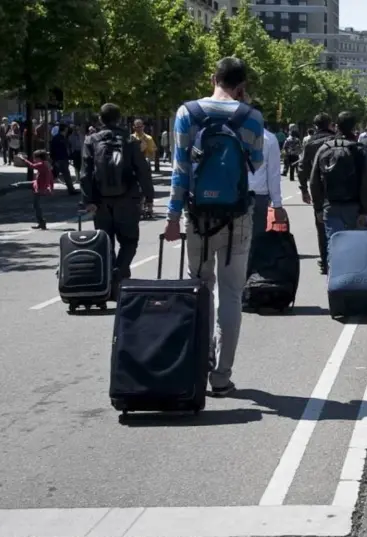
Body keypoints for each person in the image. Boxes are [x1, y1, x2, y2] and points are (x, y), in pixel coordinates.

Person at [164, 56, 265, 397]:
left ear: (213, 77)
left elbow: (179, 170)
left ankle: (198, 361)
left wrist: (172, 217)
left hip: (198, 219)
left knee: (199, 288)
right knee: (232, 295)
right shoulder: (251, 117)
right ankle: (222, 376)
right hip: (237, 217)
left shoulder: (187, 113)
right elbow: (255, 163)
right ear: (242, 86)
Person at [80, 103, 154, 287]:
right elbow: (143, 170)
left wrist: (88, 200)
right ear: (120, 119)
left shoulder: (91, 140)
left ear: (100, 119)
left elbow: (85, 173)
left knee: (105, 241)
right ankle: (120, 272)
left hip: (101, 201)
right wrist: (149, 196)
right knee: (129, 241)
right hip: (127, 199)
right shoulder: (129, 141)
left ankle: (112, 275)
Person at [309, 111, 367, 251]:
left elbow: (314, 181)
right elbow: (366, 183)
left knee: (334, 247)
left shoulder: (324, 148)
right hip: (354, 207)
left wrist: (318, 208)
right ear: (354, 127)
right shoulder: (359, 149)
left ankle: (333, 272)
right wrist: (365, 210)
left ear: (336, 126)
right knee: (354, 249)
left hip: (330, 206)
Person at [298, 113, 336, 274]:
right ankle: (339, 259)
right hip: (340, 188)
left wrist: (304, 189)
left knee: (321, 226)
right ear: (329, 124)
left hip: (319, 190)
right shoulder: (337, 140)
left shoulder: (311, 143)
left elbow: (302, 167)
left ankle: (325, 260)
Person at [246, 102, 286, 242]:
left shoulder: (233, 134)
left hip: (236, 195)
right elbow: (273, 174)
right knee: (257, 240)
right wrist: (277, 205)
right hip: (259, 195)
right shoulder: (269, 138)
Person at [16, 150, 54, 229]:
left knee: (36, 206)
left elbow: (32, 165)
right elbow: (51, 178)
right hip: (36, 184)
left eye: (35, 158)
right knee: (20, 185)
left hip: (40, 188)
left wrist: (23, 159)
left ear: (39, 158)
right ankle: (41, 222)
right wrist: (51, 187)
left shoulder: (42, 164)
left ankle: (41, 222)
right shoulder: (47, 164)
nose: (34, 159)